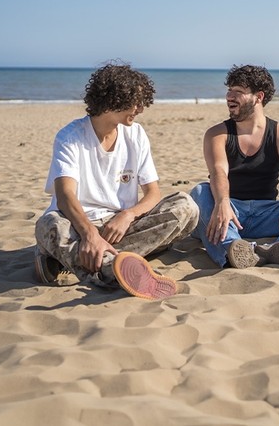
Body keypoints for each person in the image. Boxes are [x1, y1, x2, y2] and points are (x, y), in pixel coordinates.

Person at [34, 63, 199, 299]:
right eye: (136, 102)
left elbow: (153, 193)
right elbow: (65, 196)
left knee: (186, 206)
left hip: (120, 228)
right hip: (77, 225)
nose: (141, 109)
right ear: (114, 99)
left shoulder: (136, 134)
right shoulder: (70, 137)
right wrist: (90, 235)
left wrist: (128, 215)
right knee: (49, 225)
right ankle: (115, 268)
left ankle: (72, 261)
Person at [190, 65, 279, 268]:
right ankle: (234, 250)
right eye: (229, 90)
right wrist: (222, 201)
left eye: (238, 92)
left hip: (267, 215)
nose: (229, 96)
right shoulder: (217, 134)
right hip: (228, 212)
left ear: (259, 97)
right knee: (200, 192)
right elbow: (218, 172)